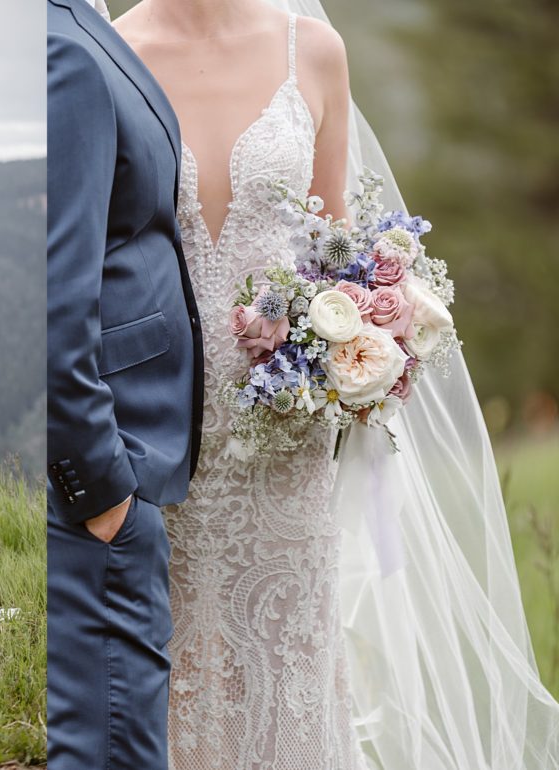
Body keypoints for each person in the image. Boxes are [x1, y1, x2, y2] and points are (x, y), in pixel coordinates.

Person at [113, 0, 559, 767]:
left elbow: (337, 247)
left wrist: (357, 337)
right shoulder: (110, 53)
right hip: (154, 427)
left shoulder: (311, 50)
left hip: (284, 427)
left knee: (287, 656)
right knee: (169, 658)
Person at [46, 0, 204, 766]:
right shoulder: (59, 51)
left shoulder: (79, 26)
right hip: (98, 493)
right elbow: (52, 298)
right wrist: (102, 491)